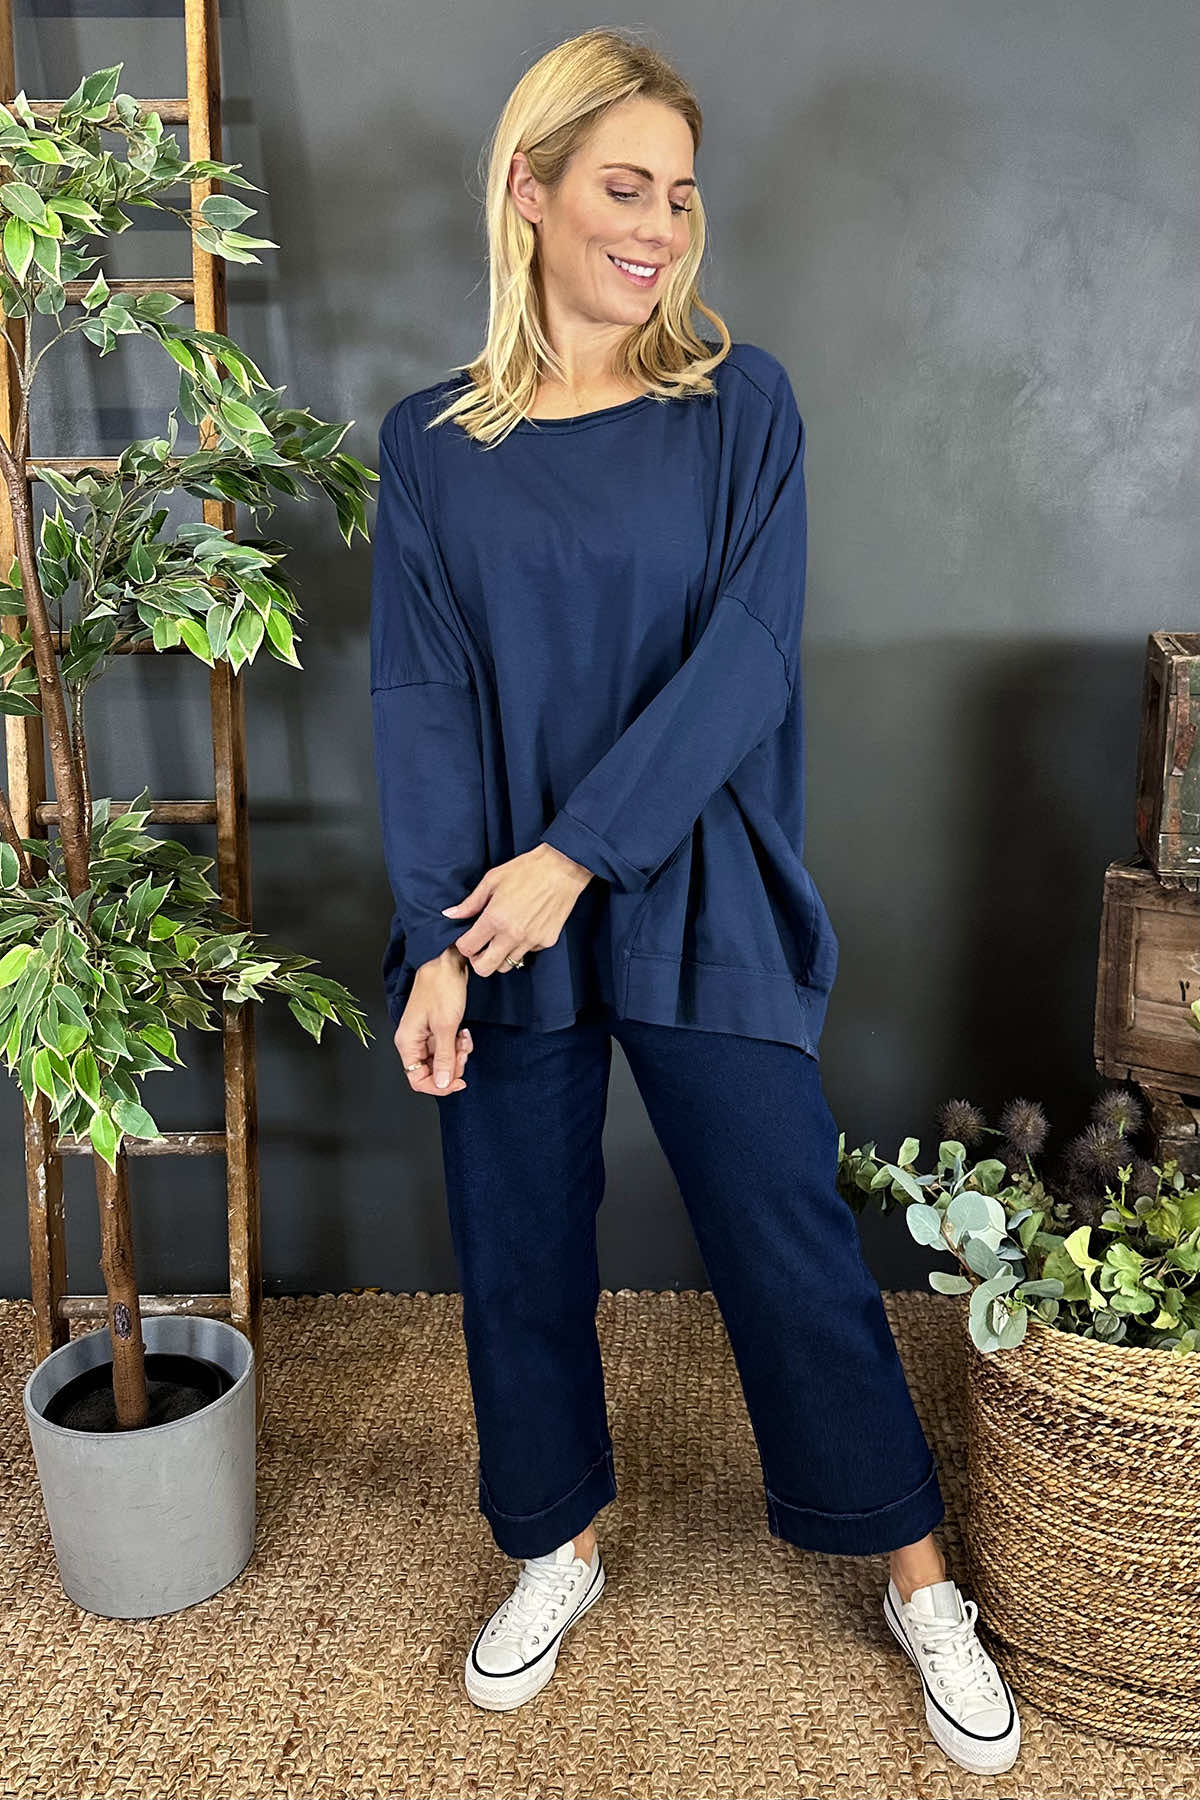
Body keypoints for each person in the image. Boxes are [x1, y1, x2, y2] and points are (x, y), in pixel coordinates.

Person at [368, 27, 1020, 1778]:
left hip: (689, 874)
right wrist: (436, 939)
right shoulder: (430, 445)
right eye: (624, 187)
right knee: (515, 1240)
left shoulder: (743, 406)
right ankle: (555, 1542)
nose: (660, 226)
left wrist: (576, 856)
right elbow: (421, 700)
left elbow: (747, 662)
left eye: (679, 194)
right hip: (496, 905)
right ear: (530, 190)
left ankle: (918, 1577)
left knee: (785, 1232)